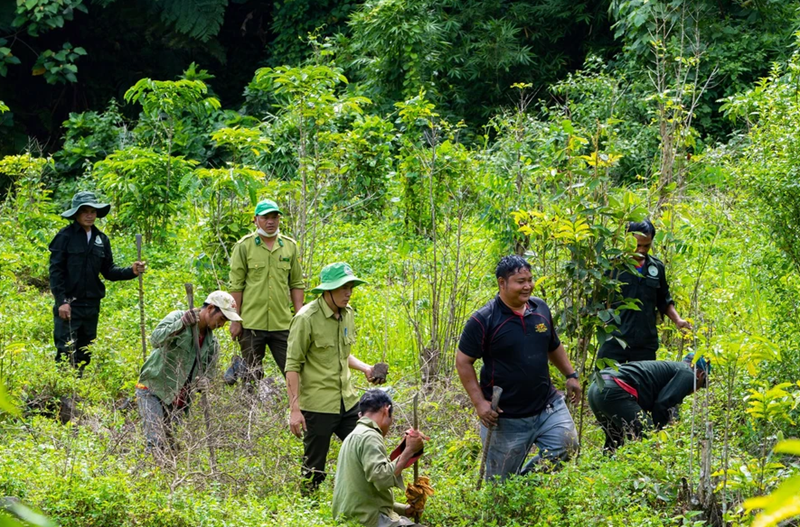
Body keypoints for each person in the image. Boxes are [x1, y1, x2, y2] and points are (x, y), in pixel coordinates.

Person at [455, 255, 581, 482]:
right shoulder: (484, 319)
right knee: (499, 486)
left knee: (567, 445)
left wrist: (570, 375)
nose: (528, 286)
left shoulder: (540, 308)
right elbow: (463, 361)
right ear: (502, 283)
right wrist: (479, 403)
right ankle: (514, 493)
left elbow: (553, 344)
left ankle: (524, 487)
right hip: (506, 417)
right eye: (520, 281)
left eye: (530, 280)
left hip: (547, 406)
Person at [285, 262, 385, 492]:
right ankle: (308, 508)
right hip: (318, 404)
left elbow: (342, 354)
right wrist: (294, 408)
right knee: (314, 468)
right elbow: (292, 365)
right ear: (327, 290)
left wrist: (366, 368)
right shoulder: (306, 318)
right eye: (342, 288)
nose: (348, 293)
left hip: (347, 401)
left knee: (365, 447)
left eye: (350, 287)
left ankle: (363, 499)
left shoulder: (347, 314)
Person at [48, 191, 145, 373]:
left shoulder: (102, 239)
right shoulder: (65, 237)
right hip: (70, 303)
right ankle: (64, 392)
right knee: (65, 350)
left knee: (85, 350)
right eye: (85, 211)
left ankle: (79, 389)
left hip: (91, 305)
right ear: (76, 213)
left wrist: (131, 271)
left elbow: (108, 271)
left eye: (93, 211)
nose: (89, 215)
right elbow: (56, 272)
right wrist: (62, 301)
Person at [135, 291, 241, 453]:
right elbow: (155, 340)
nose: (221, 325)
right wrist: (181, 323)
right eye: (221, 319)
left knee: (171, 449)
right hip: (153, 388)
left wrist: (204, 382)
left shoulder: (212, 344)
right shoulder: (178, 316)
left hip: (179, 401)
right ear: (211, 308)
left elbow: (209, 374)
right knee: (156, 442)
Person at [225, 198, 305, 385]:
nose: (270, 222)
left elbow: (296, 283)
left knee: (293, 370)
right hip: (252, 323)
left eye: (274, 217)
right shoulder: (244, 246)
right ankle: (249, 412)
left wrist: (300, 315)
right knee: (250, 376)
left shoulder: (289, 246)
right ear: (255, 220)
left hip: (282, 323)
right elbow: (236, 286)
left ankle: (297, 409)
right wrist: (235, 320)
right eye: (265, 217)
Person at [598, 220, 691, 364]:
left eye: (646, 246)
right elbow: (597, 302)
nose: (641, 250)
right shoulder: (612, 267)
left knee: (643, 385)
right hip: (614, 341)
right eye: (637, 245)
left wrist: (678, 320)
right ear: (627, 240)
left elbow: (663, 299)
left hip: (645, 343)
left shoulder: (656, 268)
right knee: (608, 383)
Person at [332, 389, 428, 527]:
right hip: (368, 521)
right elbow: (381, 479)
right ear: (386, 410)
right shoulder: (370, 436)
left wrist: (404, 510)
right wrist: (409, 451)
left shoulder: (352, 436)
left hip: (352, 519)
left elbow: (366, 496)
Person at [587, 354, 710, 453]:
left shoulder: (673, 369)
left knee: (615, 441)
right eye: (702, 384)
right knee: (648, 440)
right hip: (614, 389)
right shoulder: (688, 374)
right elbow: (662, 405)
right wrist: (661, 434)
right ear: (700, 374)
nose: (697, 390)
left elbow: (669, 404)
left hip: (596, 387)